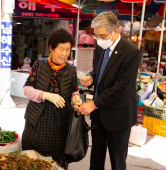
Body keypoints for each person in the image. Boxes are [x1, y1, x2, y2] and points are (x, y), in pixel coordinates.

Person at [78, 12, 141, 170]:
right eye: (96, 36)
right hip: (99, 114)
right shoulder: (100, 47)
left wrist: (93, 104)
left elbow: (121, 86)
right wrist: (92, 78)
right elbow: (99, 70)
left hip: (119, 115)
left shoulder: (131, 52)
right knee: (96, 157)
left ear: (115, 31)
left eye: (102, 36)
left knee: (117, 161)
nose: (99, 40)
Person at [22, 28, 82, 170]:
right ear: (51, 48)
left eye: (68, 50)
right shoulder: (39, 64)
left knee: (59, 164)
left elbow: (74, 91)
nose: (65, 54)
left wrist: (76, 99)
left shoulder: (71, 70)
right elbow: (26, 89)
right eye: (61, 49)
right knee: (31, 162)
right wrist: (45, 95)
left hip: (61, 123)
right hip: (37, 121)